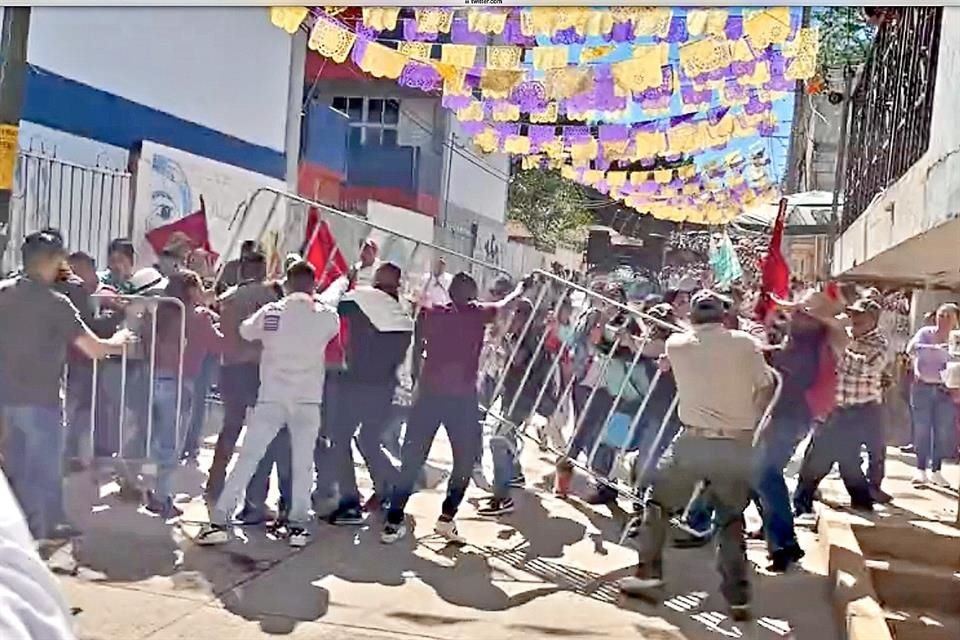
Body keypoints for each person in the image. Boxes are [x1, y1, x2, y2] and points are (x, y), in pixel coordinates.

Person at [619, 290, 774, 621]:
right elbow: (765, 384)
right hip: (736, 443)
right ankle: (738, 596)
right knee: (730, 518)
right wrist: (754, 418)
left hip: (692, 442)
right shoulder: (745, 343)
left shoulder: (678, 345)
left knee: (657, 503)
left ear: (692, 317)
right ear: (722, 316)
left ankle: (649, 576)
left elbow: (674, 338)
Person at [0, 231, 133, 542]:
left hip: (6, 399)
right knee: (45, 471)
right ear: (49, 262)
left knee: (17, 471)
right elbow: (94, 348)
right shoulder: (55, 303)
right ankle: (39, 533)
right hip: (40, 400)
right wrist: (120, 341)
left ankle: (21, 535)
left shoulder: (3, 293)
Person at [196, 260, 340, 548]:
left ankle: (220, 520)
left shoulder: (272, 313)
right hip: (308, 400)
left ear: (286, 283)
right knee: (303, 463)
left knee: (248, 458)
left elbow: (247, 331)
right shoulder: (327, 316)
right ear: (313, 285)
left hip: (272, 397)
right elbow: (329, 327)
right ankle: (298, 526)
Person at [381, 272, 527, 545]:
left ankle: (394, 519)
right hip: (461, 398)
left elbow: (417, 341)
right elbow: (507, 304)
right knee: (464, 459)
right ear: (472, 295)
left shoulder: (433, 314)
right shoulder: (475, 314)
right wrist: (522, 288)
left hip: (429, 394)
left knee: (412, 457)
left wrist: (415, 378)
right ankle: (446, 518)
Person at [326, 262, 413, 525]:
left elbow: (329, 303)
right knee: (368, 439)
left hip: (355, 385)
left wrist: (345, 277)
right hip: (385, 389)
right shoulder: (403, 315)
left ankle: (350, 504)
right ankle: (391, 486)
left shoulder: (362, 299)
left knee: (339, 441)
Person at [207, 252, 291, 525]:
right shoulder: (273, 300)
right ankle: (255, 498)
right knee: (263, 433)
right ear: (263, 270)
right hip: (259, 369)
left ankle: (215, 484)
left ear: (242, 270)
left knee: (230, 428)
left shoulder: (228, 298)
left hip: (231, 368)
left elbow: (224, 334)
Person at [793, 297, 889, 517]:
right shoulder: (846, 337)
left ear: (873, 319)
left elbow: (861, 367)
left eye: (860, 316)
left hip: (859, 410)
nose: (854, 319)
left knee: (829, 458)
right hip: (836, 408)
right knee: (835, 458)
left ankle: (803, 502)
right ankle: (858, 502)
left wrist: (839, 341)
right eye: (853, 314)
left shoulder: (878, 343)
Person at [147, 270, 223, 518]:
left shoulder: (162, 311)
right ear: (191, 291)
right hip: (180, 383)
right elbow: (218, 344)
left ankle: (153, 489)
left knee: (159, 439)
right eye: (199, 288)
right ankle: (161, 498)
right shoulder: (198, 317)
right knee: (172, 444)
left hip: (156, 378)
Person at [906, 303, 960, 487]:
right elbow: (911, 349)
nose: (943, 319)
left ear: (955, 320)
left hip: (945, 390)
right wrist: (936, 348)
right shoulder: (925, 333)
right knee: (922, 429)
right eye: (940, 314)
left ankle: (936, 470)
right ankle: (920, 470)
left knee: (942, 431)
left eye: (948, 316)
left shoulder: (957, 339)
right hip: (922, 387)